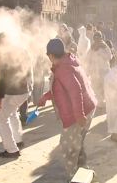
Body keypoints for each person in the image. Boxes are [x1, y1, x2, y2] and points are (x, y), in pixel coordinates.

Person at [38, 39, 97, 180]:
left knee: (68, 147)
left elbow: (75, 90)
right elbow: (61, 87)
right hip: (88, 106)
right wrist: (46, 97)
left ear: (50, 55)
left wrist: (79, 115)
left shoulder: (63, 68)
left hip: (78, 112)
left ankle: (75, 177)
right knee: (77, 142)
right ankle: (84, 170)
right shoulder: (68, 61)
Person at [0, 33, 33, 158]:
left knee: (1, 120)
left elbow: (2, 79)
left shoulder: (4, 55)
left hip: (14, 92)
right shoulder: (22, 50)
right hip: (24, 90)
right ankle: (17, 140)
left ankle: (11, 150)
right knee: (13, 113)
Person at [87, 32, 112, 108]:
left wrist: (100, 51)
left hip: (104, 70)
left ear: (101, 38)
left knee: (105, 87)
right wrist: (87, 70)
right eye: (95, 38)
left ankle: (107, 101)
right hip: (95, 71)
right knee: (95, 88)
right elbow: (88, 59)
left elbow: (109, 56)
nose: (97, 40)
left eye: (98, 38)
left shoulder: (104, 46)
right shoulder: (92, 47)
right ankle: (100, 102)